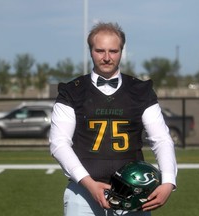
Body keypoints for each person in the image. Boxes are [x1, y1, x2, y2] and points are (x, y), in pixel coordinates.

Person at [49, 22, 177, 216]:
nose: (107, 57)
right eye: (100, 50)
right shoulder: (72, 91)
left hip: (133, 193)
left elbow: (161, 138)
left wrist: (168, 181)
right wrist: (88, 183)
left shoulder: (140, 90)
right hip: (83, 193)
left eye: (113, 51)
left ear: (121, 52)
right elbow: (59, 143)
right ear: (90, 51)